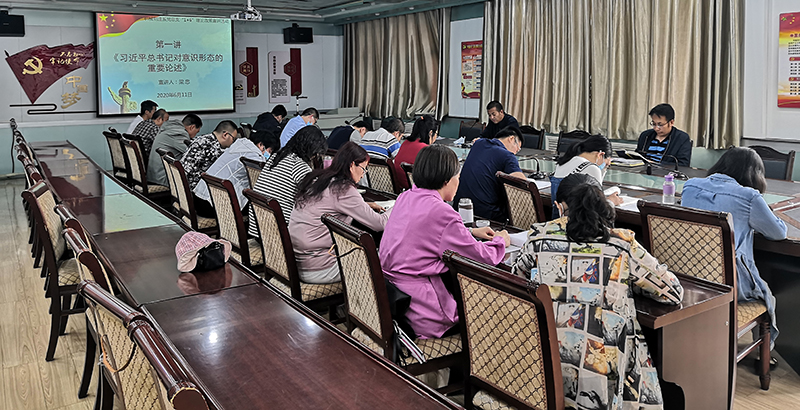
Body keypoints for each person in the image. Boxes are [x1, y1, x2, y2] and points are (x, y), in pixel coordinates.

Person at [513, 173, 684, 410]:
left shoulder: (538, 237)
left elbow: (517, 278)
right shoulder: (621, 243)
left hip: (545, 355)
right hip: (603, 366)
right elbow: (672, 292)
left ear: (559, 207)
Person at [381, 145, 510, 339]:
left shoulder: (405, 196)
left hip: (394, 299)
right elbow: (483, 257)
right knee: (496, 314)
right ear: (446, 180)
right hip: (426, 312)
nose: (459, 182)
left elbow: (424, 233)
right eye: (457, 176)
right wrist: (501, 240)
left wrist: (469, 231)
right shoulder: (442, 212)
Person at [681, 147, 786, 349]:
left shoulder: (691, 186)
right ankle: (764, 352)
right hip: (728, 284)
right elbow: (778, 233)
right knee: (769, 297)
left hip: (690, 277)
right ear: (754, 174)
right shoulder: (749, 196)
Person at [290, 142, 390, 284]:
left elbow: (328, 205)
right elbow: (380, 224)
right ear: (352, 165)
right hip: (322, 267)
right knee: (385, 256)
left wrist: (366, 205)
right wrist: (399, 205)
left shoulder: (320, 180)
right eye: (363, 169)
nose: (363, 175)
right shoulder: (343, 189)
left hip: (299, 262)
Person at [248, 126, 328, 236]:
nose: (314, 158)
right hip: (276, 234)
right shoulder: (299, 165)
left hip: (257, 227)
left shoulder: (276, 157)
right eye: (315, 154)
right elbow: (317, 197)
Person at [194, 130, 279, 210]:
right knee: (261, 207)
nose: (269, 155)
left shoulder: (239, 145)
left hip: (199, 197)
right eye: (270, 151)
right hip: (214, 205)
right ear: (261, 145)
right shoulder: (255, 156)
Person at [454, 126, 526, 222]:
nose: (516, 152)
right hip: (486, 214)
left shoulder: (479, 143)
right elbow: (522, 182)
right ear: (511, 139)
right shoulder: (508, 155)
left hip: (459, 207)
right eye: (518, 148)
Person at [551, 134, 623, 218]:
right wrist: (611, 201)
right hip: (578, 222)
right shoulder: (592, 168)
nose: (604, 168)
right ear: (600, 155)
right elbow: (598, 209)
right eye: (606, 165)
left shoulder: (564, 161)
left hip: (557, 219)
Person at [180, 120, 238, 216]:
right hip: (196, 196)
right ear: (225, 135)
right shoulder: (213, 148)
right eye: (233, 139)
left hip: (184, 191)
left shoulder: (202, 139)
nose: (233, 143)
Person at [147, 113, 203, 186]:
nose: (196, 134)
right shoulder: (180, 133)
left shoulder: (171, 128)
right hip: (163, 179)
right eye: (197, 131)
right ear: (192, 127)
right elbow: (192, 153)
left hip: (154, 176)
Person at [392, 115, 439, 190]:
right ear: (430, 133)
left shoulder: (405, 143)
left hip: (400, 186)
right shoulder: (426, 150)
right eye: (436, 134)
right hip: (416, 189)